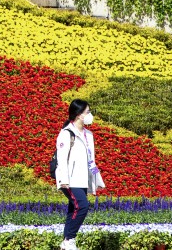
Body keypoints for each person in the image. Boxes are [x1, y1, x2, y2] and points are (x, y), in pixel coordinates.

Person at [54, 99, 104, 250]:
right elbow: (61, 159)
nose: (90, 115)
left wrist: (97, 179)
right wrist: (63, 180)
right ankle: (69, 239)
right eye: (87, 112)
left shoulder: (88, 135)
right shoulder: (66, 133)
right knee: (82, 206)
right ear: (78, 115)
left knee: (73, 209)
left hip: (82, 179)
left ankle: (66, 243)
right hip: (70, 180)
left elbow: (91, 160)